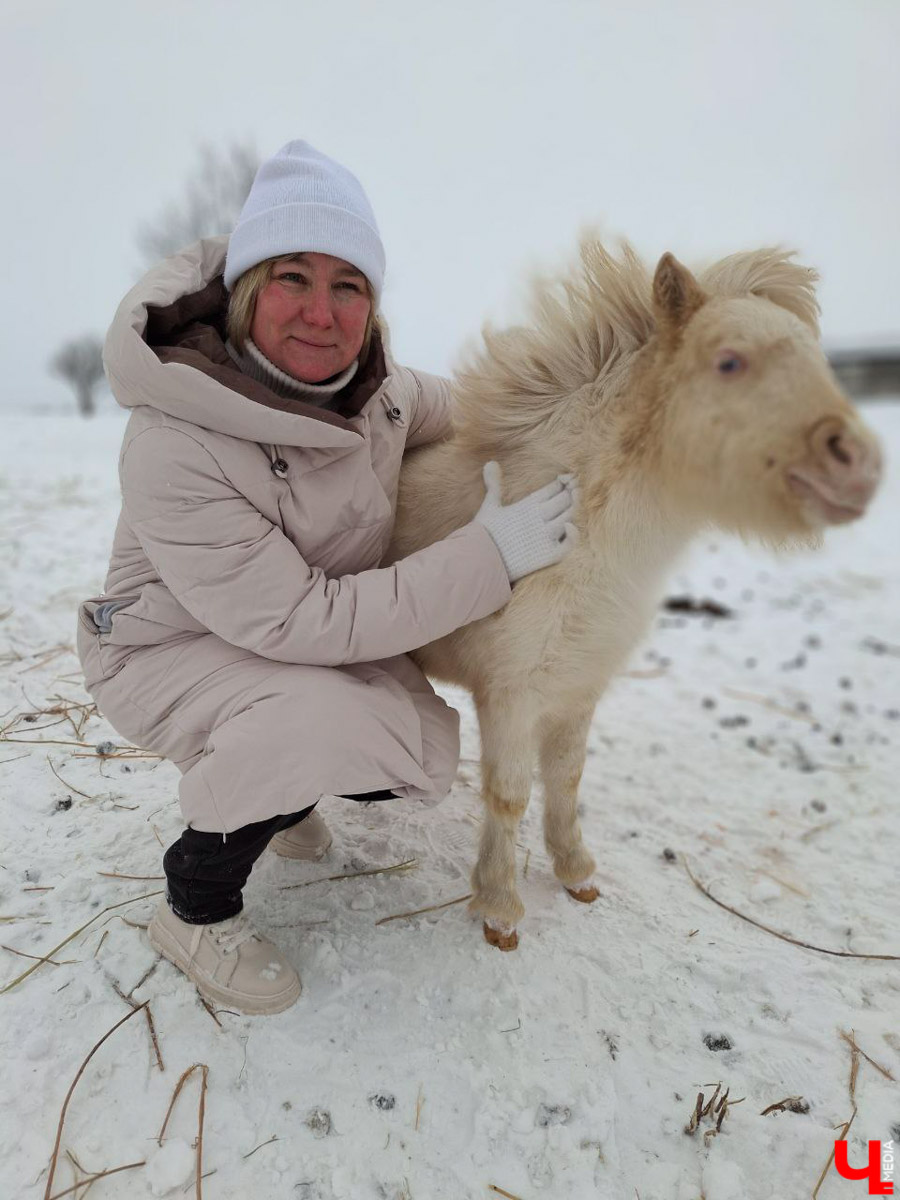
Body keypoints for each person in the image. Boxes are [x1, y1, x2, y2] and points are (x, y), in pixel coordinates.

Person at [77, 140, 578, 1015]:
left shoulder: (375, 391)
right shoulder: (175, 440)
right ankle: (195, 904)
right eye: (292, 278)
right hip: (163, 652)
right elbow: (301, 622)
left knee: (405, 741)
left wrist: (569, 420)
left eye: (349, 284)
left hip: (268, 640)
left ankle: (277, 791)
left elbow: (465, 404)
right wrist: (490, 557)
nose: (321, 311)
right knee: (329, 723)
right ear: (245, 291)